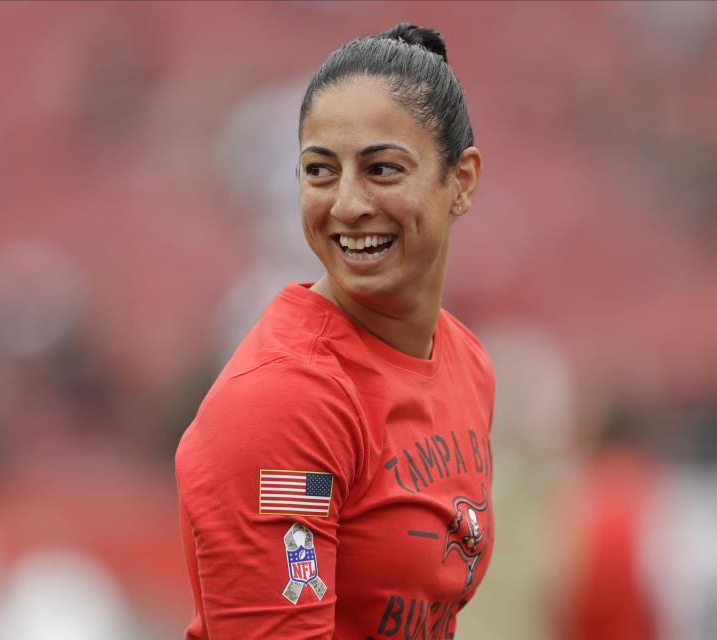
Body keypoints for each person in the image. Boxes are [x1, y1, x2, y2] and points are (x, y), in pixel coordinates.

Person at [176, 23, 494, 639]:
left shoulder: (466, 360)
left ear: (462, 181)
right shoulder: (285, 402)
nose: (347, 203)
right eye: (320, 171)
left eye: (381, 169)